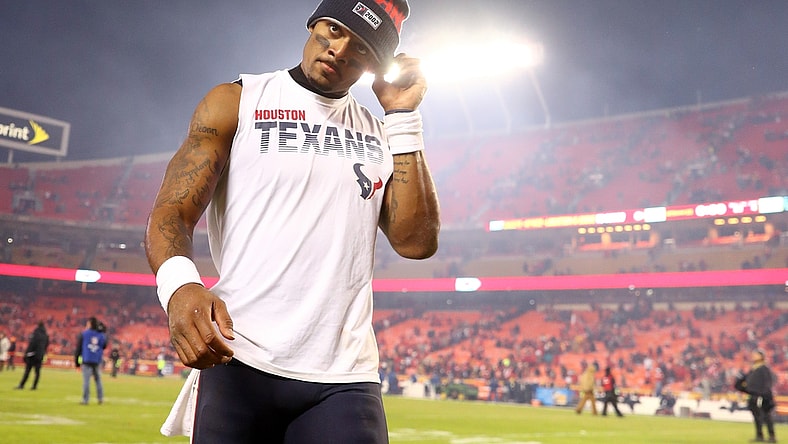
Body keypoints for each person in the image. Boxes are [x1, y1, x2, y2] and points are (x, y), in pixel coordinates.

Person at [144, 0, 440, 442]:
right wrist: (180, 287)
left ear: (376, 66)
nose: (341, 50)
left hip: (344, 374)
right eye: (336, 30)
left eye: (361, 49)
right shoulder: (237, 100)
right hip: (238, 355)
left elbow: (416, 242)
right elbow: (173, 209)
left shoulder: (383, 133)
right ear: (315, 23)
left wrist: (403, 117)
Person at [735, 350, 777, 443]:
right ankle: (759, 435)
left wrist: (761, 394)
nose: (753, 356)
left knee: (766, 416)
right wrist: (741, 387)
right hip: (754, 396)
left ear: (761, 357)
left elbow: (767, 383)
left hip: (762, 397)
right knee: (757, 417)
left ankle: (771, 436)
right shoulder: (753, 368)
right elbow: (745, 381)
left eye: (756, 355)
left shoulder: (764, 368)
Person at [75, 317, 108, 404]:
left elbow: (78, 349)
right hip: (97, 360)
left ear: (90, 324)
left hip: (87, 360)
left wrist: (77, 363)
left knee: (86, 381)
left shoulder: (84, 334)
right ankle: (100, 399)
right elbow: (104, 346)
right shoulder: (101, 335)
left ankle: (85, 400)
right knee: (98, 380)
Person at [15, 321, 49, 390]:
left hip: (32, 355)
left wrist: (26, 354)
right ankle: (34, 386)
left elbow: (31, 344)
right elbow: (46, 345)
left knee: (27, 371)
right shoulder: (46, 335)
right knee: (37, 372)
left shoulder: (36, 333)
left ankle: (22, 385)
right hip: (40, 356)